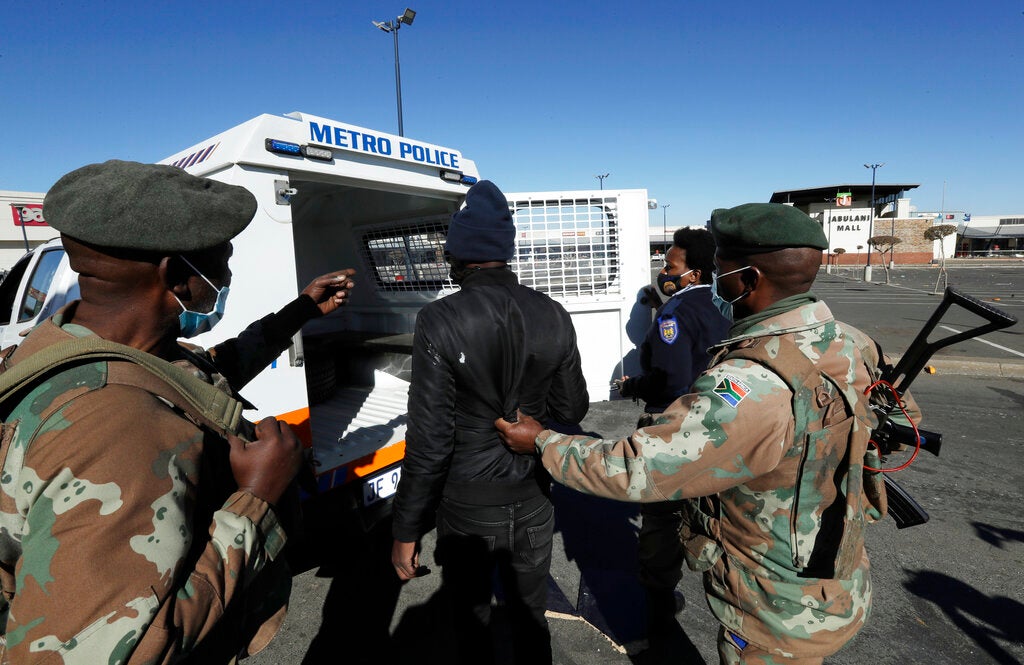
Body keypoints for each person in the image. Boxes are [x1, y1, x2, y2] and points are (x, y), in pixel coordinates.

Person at [497, 202, 921, 665]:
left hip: (775, 610)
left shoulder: (751, 379)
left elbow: (639, 468)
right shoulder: (852, 341)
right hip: (835, 577)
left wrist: (542, 441)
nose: (715, 281)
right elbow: (902, 423)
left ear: (750, 279)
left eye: (721, 270)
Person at [0, 160, 356, 663]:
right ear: (178, 277)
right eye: (222, 262)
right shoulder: (120, 429)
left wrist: (298, 311)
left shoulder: (69, 346)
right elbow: (123, 650)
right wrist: (257, 500)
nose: (228, 275)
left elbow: (205, 372)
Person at [390, 180, 589, 665]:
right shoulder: (553, 313)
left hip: (466, 505)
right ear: (506, 251)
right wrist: (534, 435)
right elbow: (571, 411)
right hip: (535, 495)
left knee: (472, 621)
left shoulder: (439, 318)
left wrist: (407, 527)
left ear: (458, 255)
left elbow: (431, 438)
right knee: (530, 616)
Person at [616, 227, 730, 643]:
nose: (664, 271)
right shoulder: (723, 304)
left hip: (672, 422)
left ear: (694, 273)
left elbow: (671, 379)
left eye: (670, 266)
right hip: (718, 422)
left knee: (660, 514)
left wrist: (633, 386)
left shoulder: (672, 316)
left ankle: (659, 598)